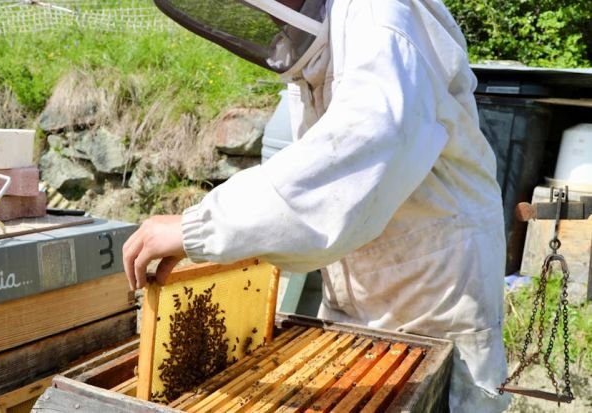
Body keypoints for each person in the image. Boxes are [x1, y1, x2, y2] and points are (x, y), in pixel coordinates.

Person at [123, 0, 511, 411]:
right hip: (356, 299)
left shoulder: (380, 15)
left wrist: (200, 227)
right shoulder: (323, 47)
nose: (271, 17)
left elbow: (357, 153)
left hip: (434, 300)